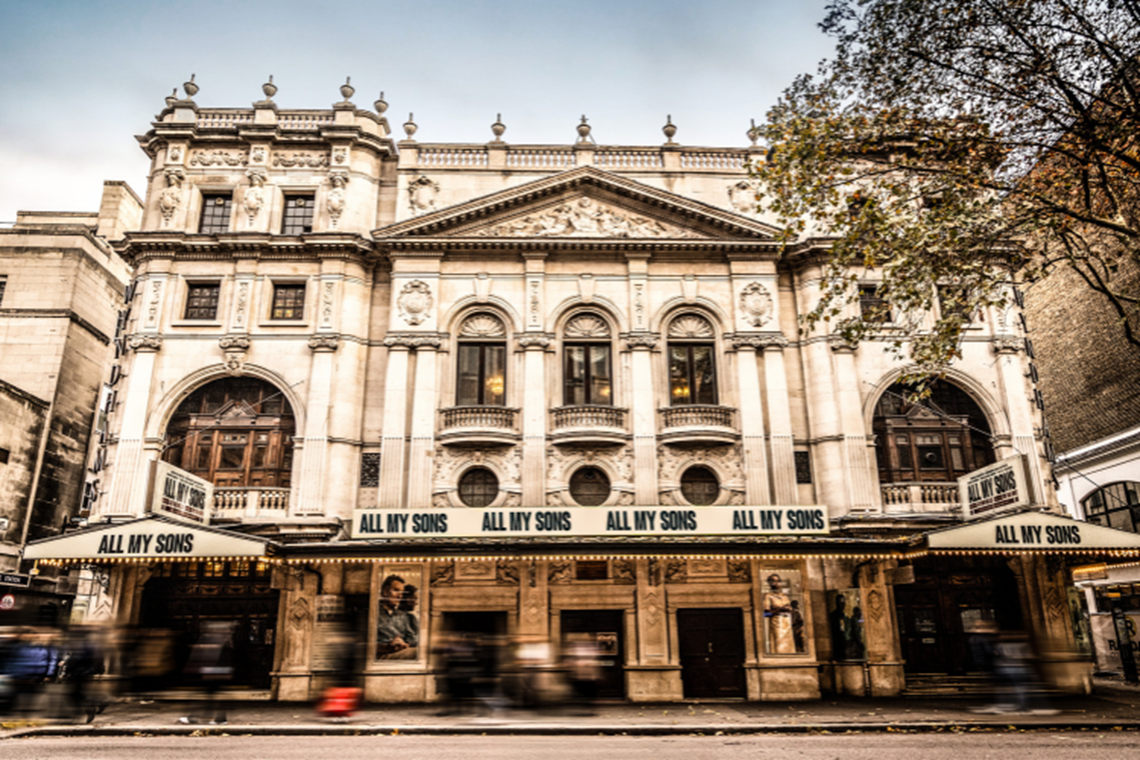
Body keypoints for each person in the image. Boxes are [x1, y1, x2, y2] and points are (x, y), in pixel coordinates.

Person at [179, 621, 235, 725]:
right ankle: (219, 719)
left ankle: (197, 717)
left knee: (206, 696)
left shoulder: (217, 641)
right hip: (216, 671)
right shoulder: (225, 641)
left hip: (214, 672)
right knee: (211, 696)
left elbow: (215, 658)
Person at [376, 575, 418, 659]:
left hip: (400, 651)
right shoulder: (373, 613)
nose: (399, 596)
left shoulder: (402, 615)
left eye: (402, 593)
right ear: (385, 591)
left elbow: (413, 638)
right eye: (396, 590)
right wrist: (388, 646)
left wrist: (405, 644)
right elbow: (364, 644)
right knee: (419, 653)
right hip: (380, 655)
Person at [764, 575, 797, 654]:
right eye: (773, 581)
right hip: (776, 622)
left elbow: (790, 609)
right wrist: (778, 610)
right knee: (779, 644)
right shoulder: (768, 596)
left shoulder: (784, 596)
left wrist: (788, 609)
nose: (776, 583)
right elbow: (765, 613)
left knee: (788, 643)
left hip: (786, 622)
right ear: (770, 583)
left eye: (778, 581)